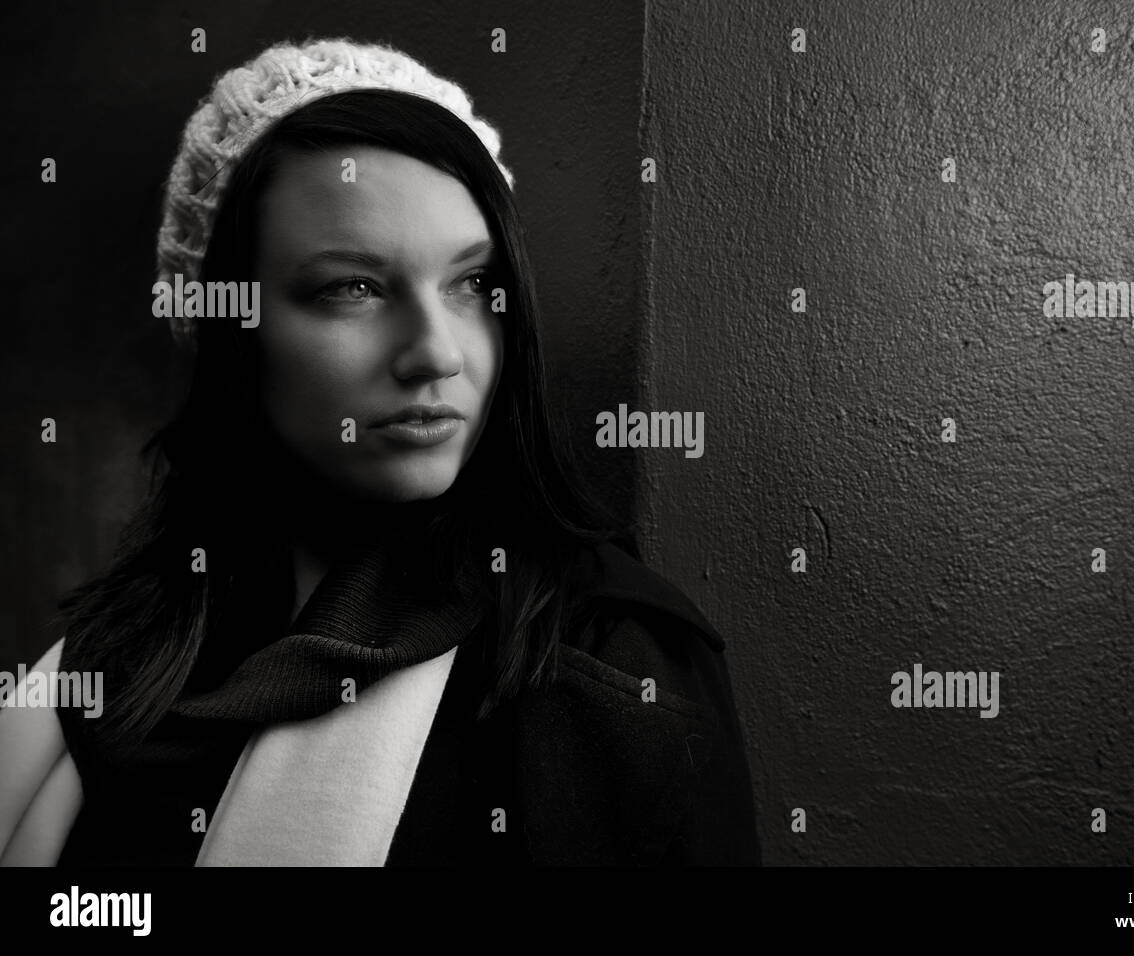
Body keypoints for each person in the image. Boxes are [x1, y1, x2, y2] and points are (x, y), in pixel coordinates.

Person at [0, 38, 760, 866]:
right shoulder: (91, 673)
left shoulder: (610, 666)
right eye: (352, 287)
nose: (438, 353)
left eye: (473, 282)